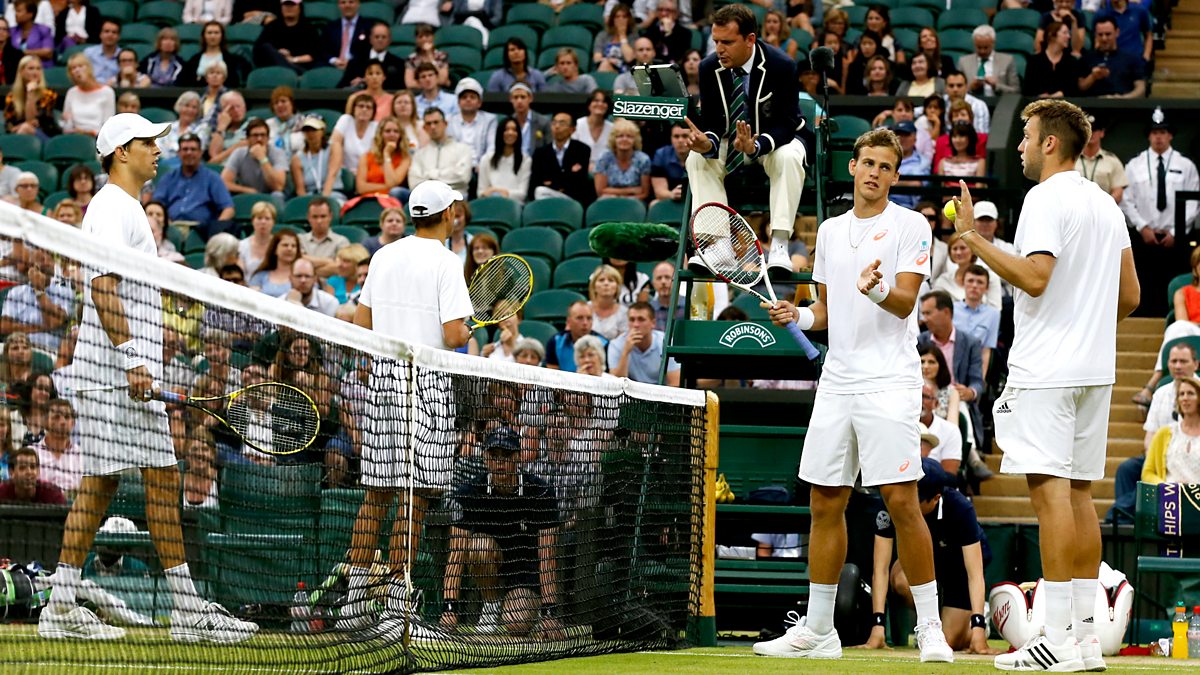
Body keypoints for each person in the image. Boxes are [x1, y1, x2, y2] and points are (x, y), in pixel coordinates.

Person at [38, 113, 258, 643]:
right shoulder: (112, 207)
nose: (157, 150)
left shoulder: (125, 207)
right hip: (115, 373)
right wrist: (135, 358)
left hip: (108, 370)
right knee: (160, 477)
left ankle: (61, 605)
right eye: (147, 143)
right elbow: (102, 287)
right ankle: (185, 612)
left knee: (102, 484)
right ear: (120, 153)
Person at [950, 99, 1140, 671]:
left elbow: (1035, 278)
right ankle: (1083, 641)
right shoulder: (1106, 207)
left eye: (1028, 137)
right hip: (1092, 370)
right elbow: (1130, 296)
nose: (1024, 146)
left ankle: (1055, 636)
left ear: (1051, 143)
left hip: (1047, 372)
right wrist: (1084, 325)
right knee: (1079, 495)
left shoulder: (1042, 197)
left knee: (1051, 495)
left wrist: (973, 240)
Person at [752, 128, 952, 662]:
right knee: (824, 499)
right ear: (853, 167)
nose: (874, 173)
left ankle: (930, 628)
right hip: (838, 380)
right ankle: (819, 630)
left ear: (895, 175)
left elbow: (906, 301)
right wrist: (801, 316)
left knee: (902, 501)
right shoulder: (833, 234)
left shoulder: (911, 225)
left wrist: (878, 288)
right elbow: (829, 311)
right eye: (867, 163)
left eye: (885, 167)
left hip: (890, 380)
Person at [343, 180, 473, 639]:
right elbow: (456, 336)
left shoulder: (383, 256)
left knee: (377, 493)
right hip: (427, 389)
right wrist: (472, 324)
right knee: (415, 499)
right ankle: (397, 609)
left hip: (382, 386)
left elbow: (363, 325)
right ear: (450, 214)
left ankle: (355, 603)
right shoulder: (447, 262)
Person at [684, 5, 808, 277]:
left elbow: (787, 123)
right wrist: (708, 143)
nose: (719, 49)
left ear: (750, 39)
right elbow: (715, 122)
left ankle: (779, 244)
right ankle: (719, 246)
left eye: (727, 42)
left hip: (776, 138)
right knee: (696, 159)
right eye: (716, 41)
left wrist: (756, 145)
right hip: (733, 140)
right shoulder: (708, 67)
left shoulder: (781, 65)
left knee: (788, 157)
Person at [439, 426, 564, 638]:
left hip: (525, 573)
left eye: (506, 455)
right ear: (485, 457)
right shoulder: (469, 493)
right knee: (478, 546)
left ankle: (529, 614)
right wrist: (449, 608)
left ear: (518, 457)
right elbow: (456, 554)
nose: (500, 462)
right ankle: (491, 606)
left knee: (517, 624)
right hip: (490, 568)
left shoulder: (541, 493)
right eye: (494, 455)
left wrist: (550, 611)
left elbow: (547, 556)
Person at [863, 459, 997, 654]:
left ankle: (974, 618)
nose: (909, 504)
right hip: (921, 556)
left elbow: (975, 574)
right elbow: (880, 569)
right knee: (900, 580)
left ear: (935, 498)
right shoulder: (893, 503)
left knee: (950, 641)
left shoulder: (961, 509)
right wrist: (878, 626)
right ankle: (928, 624)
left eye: (917, 500)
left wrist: (978, 628)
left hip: (956, 565)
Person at [1120, 108, 1199, 317]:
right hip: (1144, 237)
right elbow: (1127, 201)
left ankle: (1174, 318)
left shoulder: (1186, 165)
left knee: (1173, 280)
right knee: (1143, 281)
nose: (1159, 137)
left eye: (1163, 132)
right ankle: (1143, 319)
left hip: (1175, 238)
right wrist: (1142, 227)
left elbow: (1192, 202)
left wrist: (1175, 231)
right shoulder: (1134, 165)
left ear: (1170, 134)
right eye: (1154, 132)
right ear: (1149, 135)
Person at [152, 134, 235, 238]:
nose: (189, 153)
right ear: (179, 153)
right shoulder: (168, 178)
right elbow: (156, 205)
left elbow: (228, 209)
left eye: (193, 149)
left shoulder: (212, 178)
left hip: (200, 232)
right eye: (185, 149)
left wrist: (216, 230)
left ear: (200, 153)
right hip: (171, 228)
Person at [1, 248, 72, 357]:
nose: (47, 262)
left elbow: (53, 322)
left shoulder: (65, 292)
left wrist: (39, 290)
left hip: (50, 352)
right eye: (41, 259)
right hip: (17, 350)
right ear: (30, 267)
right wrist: (40, 328)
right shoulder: (15, 292)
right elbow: (4, 327)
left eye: (50, 259)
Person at [1143, 376, 1200, 485]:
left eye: (1190, 393)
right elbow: (1148, 472)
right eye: (1181, 394)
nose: (1185, 398)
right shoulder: (1164, 433)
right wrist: (1163, 485)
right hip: (1170, 497)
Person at [607, 301, 680, 385]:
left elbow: (675, 383)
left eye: (641, 319)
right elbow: (616, 385)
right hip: (631, 395)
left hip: (660, 393)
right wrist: (626, 352)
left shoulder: (666, 343)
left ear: (653, 323)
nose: (636, 324)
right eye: (632, 320)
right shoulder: (616, 345)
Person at [529, 112, 594, 204]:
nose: (557, 127)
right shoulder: (541, 153)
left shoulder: (582, 150)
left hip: (574, 198)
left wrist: (551, 182)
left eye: (562, 123)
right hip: (547, 196)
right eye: (554, 123)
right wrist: (567, 175)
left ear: (572, 129)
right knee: (540, 191)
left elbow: (580, 181)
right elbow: (535, 182)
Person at [220, 118, 288, 202]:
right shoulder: (239, 153)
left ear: (268, 138)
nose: (259, 139)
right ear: (248, 139)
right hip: (247, 195)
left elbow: (278, 187)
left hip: (270, 196)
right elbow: (223, 183)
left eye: (263, 135)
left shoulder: (278, 153)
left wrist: (262, 158)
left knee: (278, 195)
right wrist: (247, 190)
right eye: (255, 135)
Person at [1077, 17, 1145, 98]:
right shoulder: (1086, 59)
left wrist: (1124, 99)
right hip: (1092, 107)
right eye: (1100, 34)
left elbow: (1141, 88)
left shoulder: (1131, 59)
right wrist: (1093, 77)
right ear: (1095, 34)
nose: (1104, 38)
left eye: (1108, 34)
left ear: (1117, 32)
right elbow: (1080, 88)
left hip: (1123, 107)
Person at [953, 265, 1001, 380]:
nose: (974, 286)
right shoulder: (951, 309)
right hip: (952, 362)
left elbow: (986, 349)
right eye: (970, 281)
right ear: (962, 283)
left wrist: (981, 380)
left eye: (980, 282)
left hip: (975, 366)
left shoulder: (993, 314)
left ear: (987, 288)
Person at [410, 108, 473, 194]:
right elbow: (413, 182)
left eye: (436, 122)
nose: (432, 127)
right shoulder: (419, 154)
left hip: (454, 196)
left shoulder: (463, 149)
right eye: (429, 124)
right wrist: (445, 174)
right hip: (427, 198)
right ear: (424, 128)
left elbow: (462, 178)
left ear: (445, 124)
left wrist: (430, 175)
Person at [933, 236, 1002, 310]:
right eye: (955, 249)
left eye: (963, 248)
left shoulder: (991, 277)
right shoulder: (943, 280)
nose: (958, 252)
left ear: (973, 251)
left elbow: (995, 309)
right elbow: (934, 306)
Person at [291, 116, 346, 206]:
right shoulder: (296, 158)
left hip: (333, 195)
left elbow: (331, 175)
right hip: (310, 197)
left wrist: (323, 202)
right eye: (307, 130)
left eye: (314, 130)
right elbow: (300, 189)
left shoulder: (334, 148)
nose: (310, 133)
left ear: (322, 131)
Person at [179, 21, 250, 88]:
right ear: (204, 36)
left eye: (216, 33)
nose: (213, 36)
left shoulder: (232, 60)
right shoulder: (194, 60)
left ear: (222, 36)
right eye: (209, 33)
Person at [253, 0, 319, 72]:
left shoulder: (309, 29)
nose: (289, 8)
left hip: (299, 67)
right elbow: (260, 49)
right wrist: (278, 54)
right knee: (265, 48)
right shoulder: (272, 27)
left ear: (300, 8)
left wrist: (292, 59)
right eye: (286, 5)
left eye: (292, 5)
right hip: (274, 67)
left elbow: (313, 55)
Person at [594, 119, 651, 201]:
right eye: (620, 136)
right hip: (608, 200)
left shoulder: (643, 160)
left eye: (629, 136)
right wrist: (631, 190)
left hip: (635, 201)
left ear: (635, 140)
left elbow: (644, 193)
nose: (624, 139)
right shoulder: (604, 159)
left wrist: (614, 193)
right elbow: (600, 191)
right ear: (613, 139)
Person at [1075, 114, 1127, 203]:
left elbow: (1118, 192)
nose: (1091, 134)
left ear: (1102, 133)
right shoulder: (1071, 159)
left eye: (1094, 130)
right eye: (1088, 130)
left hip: (1103, 212)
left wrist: (1103, 206)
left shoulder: (1112, 161)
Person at [478, 117, 531, 205]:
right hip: (490, 203)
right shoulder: (486, 159)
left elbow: (522, 193)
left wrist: (498, 192)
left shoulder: (525, 160)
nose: (510, 133)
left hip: (514, 205)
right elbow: (481, 192)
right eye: (506, 129)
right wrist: (493, 193)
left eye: (514, 130)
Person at [1023, 21, 1082, 99]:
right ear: (1051, 35)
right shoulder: (1034, 61)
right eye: (1065, 33)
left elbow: (1074, 90)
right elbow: (1027, 90)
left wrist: (1060, 94)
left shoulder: (1071, 62)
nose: (1068, 36)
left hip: (1064, 106)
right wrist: (1040, 96)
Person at [338, 21, 405, 89]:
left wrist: (367, 82)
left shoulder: (398, 64)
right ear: (370, 39)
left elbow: (400, 88)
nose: (380, 40)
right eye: (377, 37)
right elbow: (341, 88)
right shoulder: (355, 63)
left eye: (383, 37)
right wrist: (354, 85)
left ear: (389, 40)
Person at [62, 52, 114, 138]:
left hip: (97, 138)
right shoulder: (71, 92)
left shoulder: (107, 92)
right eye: (73, 68)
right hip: (75, 137)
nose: (77, 70)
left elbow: (107, 126)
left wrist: (89, 133)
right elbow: (66, 125)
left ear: (89, 68)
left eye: (80, 66)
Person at [5, 55, 59, 137]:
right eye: (31, 68)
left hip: (44, 136)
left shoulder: (49, 94)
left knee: (25, 128)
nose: (35, 72)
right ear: (21, 72)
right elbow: (9, 125)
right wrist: (19, 126)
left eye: (38, 68)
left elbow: (35, 122)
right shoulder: (12, 96)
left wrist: (31, 95)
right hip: (19, 134)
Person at [546, 300, 608, 372]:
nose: (585, 323)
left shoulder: (603, 344)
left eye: (589, 318)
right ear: (569, 321)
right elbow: (552, 377)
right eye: (579, 318)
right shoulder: (555, 342)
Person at [958, 26, 1020, 98]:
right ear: (974, 44)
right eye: (979, 47)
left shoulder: (1007, 61)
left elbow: (1016, 91)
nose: (982, 51)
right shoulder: (963, 62)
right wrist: (971, 88)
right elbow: (956, 90)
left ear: (993, 43)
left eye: (986, 47)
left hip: (1000, 103)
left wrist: (997, 85)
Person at [447, 78, 496, 166]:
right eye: (464, 97)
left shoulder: (490, 120)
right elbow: (448, 148)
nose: (468, 100)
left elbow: (491, 148)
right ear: (458, 102)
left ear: (479, 103)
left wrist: (483, 166)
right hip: (455, 167)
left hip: (481, 167)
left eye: (472, 97)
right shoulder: (449, 120)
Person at [296, 196, 349, 277]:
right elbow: (294, 263)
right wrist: (329, 262)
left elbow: (341, 268)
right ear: (308, 217)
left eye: (323, 216)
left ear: (330, 216)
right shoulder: (299, 239)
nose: (319, 221)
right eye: (315, 217)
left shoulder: (341, 241)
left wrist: (307, 270)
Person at [1096, 0, 1153, 69]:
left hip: (1136, 61)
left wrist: (1146, 56)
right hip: (1111, 63)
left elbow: (1148, 35)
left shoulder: (1139, 10)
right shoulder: (1101, 14)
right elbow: (1097, 39)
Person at [0, 445, 65, 504]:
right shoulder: (2, 493)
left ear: (38, 471)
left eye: (32, 467)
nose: (29, 472)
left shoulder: (53, 494)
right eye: (22, 468)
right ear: (11, 472)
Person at [332, 94, 379, 174]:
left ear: (373, 112)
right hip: (346, 172)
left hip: (368, 172)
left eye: (368, 107)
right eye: (361, 106)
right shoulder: (345, 120)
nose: (364, 109)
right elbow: (334, 143)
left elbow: (377, 154)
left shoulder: (376, 126)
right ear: (354, 109)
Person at [321, 0, 374, 70]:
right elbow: (322, 50)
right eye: (343, 2)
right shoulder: (330, 27)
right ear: (338, 5)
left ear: (358, 4)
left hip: (358, 67)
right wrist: (334, 60)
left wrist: (351, 63)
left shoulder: (369, 27)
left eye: (351, 2)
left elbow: (371, 51)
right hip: (333, 66)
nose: (347, 5)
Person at [249, 228, 302, 297]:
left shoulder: (303, 277)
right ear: (275, 249)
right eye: (285, 245)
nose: (290, 249)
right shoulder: (260, 276)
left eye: (293, 246)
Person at [649, 121, 690, 206]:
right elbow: (659, 192)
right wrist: (672, 194)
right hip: (671, 196)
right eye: (676, 136)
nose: (680, 140)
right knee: (654, 204)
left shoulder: (700, 155)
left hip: (695, 198)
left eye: (685, 136)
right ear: (671, 138)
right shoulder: (661, 154)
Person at [206, 90, 252, 165]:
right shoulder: (218, 129)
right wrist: (221, 127)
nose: (236, 110)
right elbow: (213, 154)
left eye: (238, 106)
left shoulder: (252, 123)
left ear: (245, 107)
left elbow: (215, 160)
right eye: (231, 108)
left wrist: (218, 158)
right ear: (224, 111)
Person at [890, 121, 928, 210]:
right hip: (883, 206)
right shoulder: (884, 158)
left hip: (912, 208)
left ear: (915, 138)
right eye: (898, 134)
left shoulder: (923, 161)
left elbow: (917, 184)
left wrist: (889, 181)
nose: (901, 138)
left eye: (906, 134)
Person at [573, 89, 614, 168]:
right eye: (596, 100)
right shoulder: (577, 125)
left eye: (604, 102)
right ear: (589, 105)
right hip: (580, 169)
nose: (600, 104)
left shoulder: (613, 128)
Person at [643, 0, 692, 65]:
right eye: (660, 10)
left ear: (676, 14)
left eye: (668, 10)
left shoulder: (685, 33)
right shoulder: (650, 32)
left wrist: (668, 33)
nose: (663, 14)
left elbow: (678, 55)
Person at [508, 83, 550, 157]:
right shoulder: (507, 123)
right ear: (511, 100)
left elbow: (550, 148)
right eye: (515, 97)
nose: (519, 101)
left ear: (530, 98)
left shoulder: (543, 122)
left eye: (523, 97)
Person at [588, 264, 628, 340]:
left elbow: (622, 343)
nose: (606, 284)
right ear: (594, 286)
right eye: (601, 280)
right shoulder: (584, 309)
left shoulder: (624, 313)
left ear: (617, 287)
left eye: (611, 280)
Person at [403, 23, 449, 89]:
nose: (424, 39)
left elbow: (442, 80)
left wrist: (429, 55)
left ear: (433, 37)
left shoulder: (442, 56)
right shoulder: (411, 59)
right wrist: (430, 84)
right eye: (420, 37)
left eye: (427, 36)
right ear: (416, 39)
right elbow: (409, 84)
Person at [593, 4, 637, 73]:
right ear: (612, 19)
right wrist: (608, 60)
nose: (621, 19)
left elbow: (629, 58)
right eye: (617, 17)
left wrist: (622, 35)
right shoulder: (603, 35)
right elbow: (597, 58)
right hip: (606, 66)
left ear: (629, 19)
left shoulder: (633, 37)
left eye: (624, 17)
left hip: (625, 73)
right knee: (605, 65)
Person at [10, 0, 53, 68]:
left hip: (41, 68)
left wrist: (22, 53)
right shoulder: (12, 31)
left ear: (30, 14)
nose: (16, 14)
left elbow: (48, 53)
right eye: (15, 11)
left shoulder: (43, 30)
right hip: (17, 70)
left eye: (19, 11)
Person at [648, 261, 683, 331]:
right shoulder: (648, 310)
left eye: (667, 277)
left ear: (677, 280)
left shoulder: (688, 306)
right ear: (653, 283)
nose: (663, 282)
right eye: (659, 278)